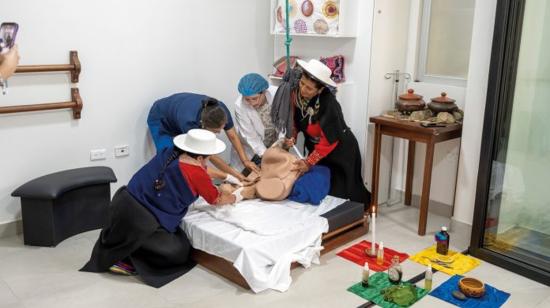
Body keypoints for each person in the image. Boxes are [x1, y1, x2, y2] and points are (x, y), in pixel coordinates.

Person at [81, 129, 245, 288]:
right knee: (179, 251)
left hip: (122, 204)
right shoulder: (197, 174)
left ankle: (126, 248)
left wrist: (227, 176)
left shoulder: (170, 153)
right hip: (142, 221)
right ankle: (128, 258)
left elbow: (200, 170)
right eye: (208, 158)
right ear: (201, 157)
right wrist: (238, 195)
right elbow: (216, 199)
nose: (208, 161)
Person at [272, 59, 371, 209]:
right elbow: (296, 121)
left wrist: (309, 162)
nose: (303, 90)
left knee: (347, 188)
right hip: (318, 149)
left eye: (309, 88)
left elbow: (329, 140)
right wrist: (293, 135)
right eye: (302, 83)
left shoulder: (328, 103)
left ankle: (362, 214)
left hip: (340, 150)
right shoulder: (295, 95)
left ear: (319, 90)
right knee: (326, 189)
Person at [147, 92, 260, 183]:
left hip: (177, 110)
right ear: (203, 127)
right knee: (169, 158)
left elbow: (233, 135)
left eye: (222, 128)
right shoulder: (190, 122)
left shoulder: (220, 110)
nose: (220, 132)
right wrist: (235, 175)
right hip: (160, 118)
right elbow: (211, 156)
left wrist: (245, 161)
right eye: (216, 131)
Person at [231, 73, 279, 172]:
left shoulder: (276, 93)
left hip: (273, 141)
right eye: (247, 99)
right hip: (251, 147)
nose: (252, 103)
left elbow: (283, 120)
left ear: (264, 92)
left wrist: (282, 141)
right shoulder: (240, 106)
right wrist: (267, 157)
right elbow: (252, 137)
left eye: (255, 98)